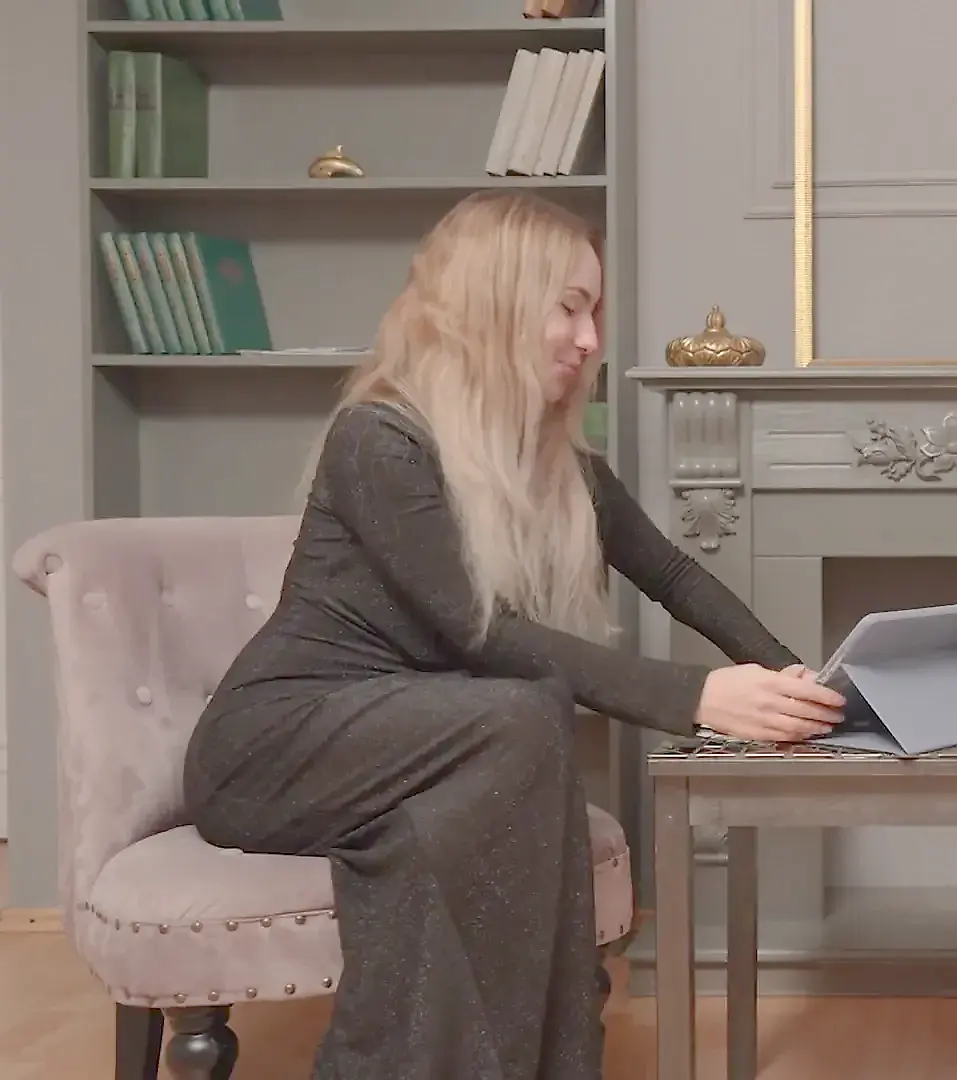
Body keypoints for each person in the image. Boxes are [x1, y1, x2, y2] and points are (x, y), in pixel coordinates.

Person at [182, 190, 846, 1080]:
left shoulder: (561, 467)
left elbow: (674, 575)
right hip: (274, 748)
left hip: (425, 747)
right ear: (494, 304)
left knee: (509, 738)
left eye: (594, 312)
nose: (590, 339)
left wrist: (798, 679)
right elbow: (479, 630)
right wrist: (697, 698)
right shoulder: (378, 439)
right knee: (522, 711)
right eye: (569, 308)